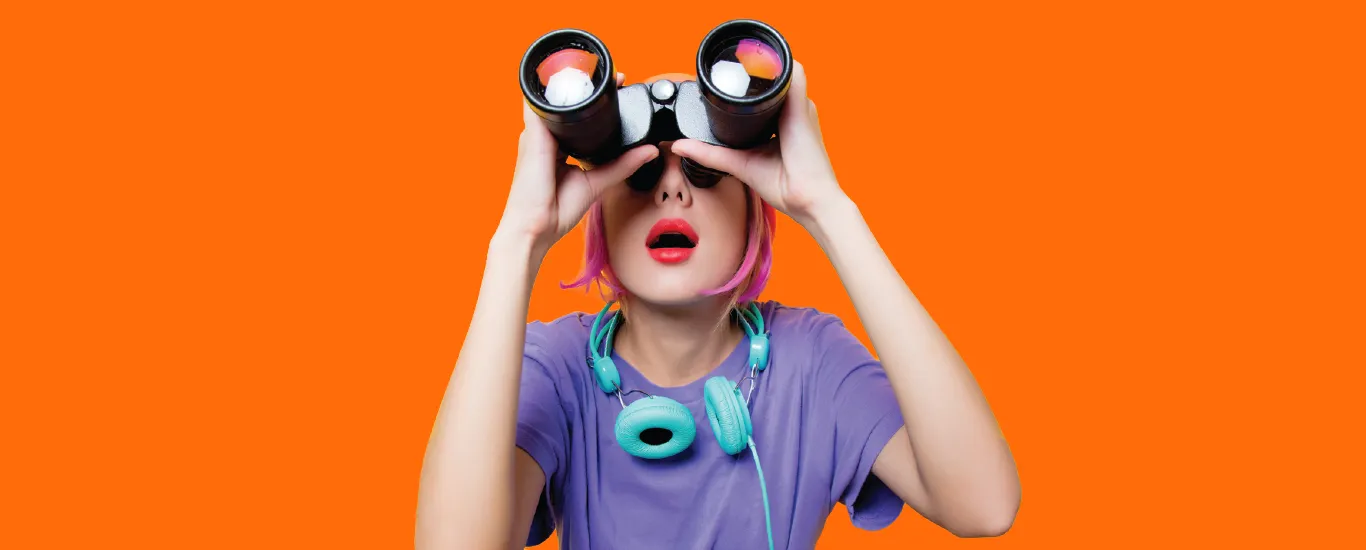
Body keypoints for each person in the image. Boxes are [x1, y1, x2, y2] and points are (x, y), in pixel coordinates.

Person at [415, 62, 1021, 550]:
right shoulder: (558, 367)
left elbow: (985, 508)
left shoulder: (812, 362)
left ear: (754, 203)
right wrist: (516, 244)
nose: (672, 187)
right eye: (641, 167)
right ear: (597, 205)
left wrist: (829, 209)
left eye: (704, 169)